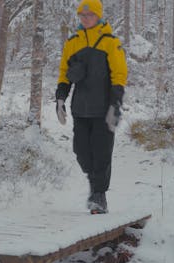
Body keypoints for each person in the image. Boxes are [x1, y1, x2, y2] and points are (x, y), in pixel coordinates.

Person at [55, 0, 128, 214]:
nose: (85, 19)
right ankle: (95, 182)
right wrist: (60, 98)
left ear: (98, 16)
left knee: (102, 152)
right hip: (80, 108)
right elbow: (63, 72)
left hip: (104, 107)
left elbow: (119, 73)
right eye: (82, 15)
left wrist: (116, 102)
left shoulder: (110, 42)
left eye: (89, 15)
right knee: (81, 152)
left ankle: (99, 195)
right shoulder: (72, 42)